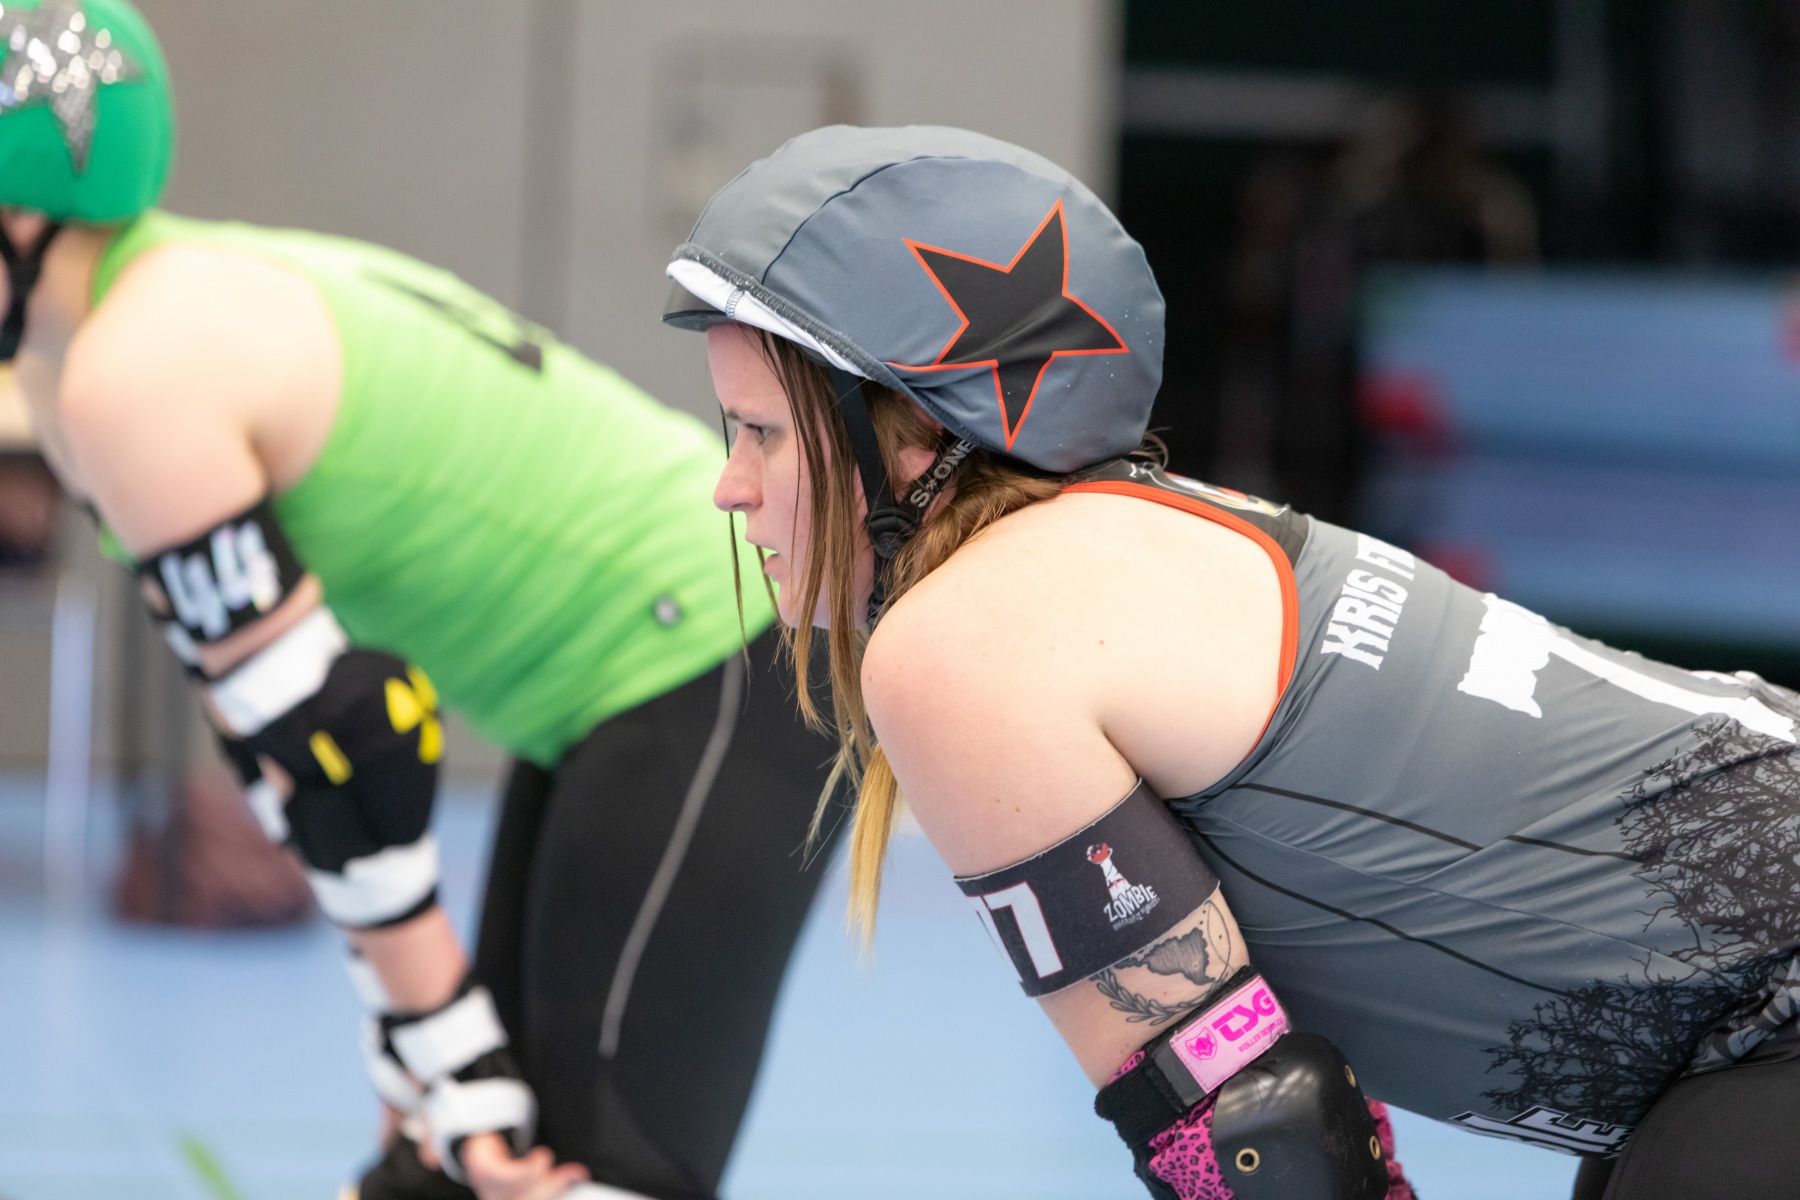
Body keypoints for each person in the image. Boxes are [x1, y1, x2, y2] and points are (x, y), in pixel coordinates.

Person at [662, 123, 1800, 1200]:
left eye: (763, 432)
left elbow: (1259, 1136)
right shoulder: (1162, 528)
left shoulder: (964, 639)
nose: (730, 486)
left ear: (916, 434)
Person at [2, 4, 840, 1198]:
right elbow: (288, 737)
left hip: (716, 651)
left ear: (23, 217)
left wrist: (442, 1049)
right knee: (450, 1171)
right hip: (624, 668)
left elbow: (335, 748)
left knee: (588, 1173)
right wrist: (425, 1040)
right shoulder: (130, 321)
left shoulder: (128, 373)